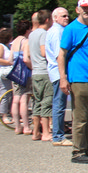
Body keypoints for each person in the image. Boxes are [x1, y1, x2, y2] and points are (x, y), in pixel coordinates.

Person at [60, 0, 88, 164]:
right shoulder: (71, 29)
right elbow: (62, 54)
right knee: (80, 117)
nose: (87, 11)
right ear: (77, 9)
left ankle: (87, 148)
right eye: (84, 8)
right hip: (78, 77)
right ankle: (77, 151)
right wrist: (63, 78)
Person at [47, 8, 72, 146]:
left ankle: (58, 134)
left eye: (67, 15)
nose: (66, 18)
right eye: (63, 16)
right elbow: (60, 55)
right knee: (59, 104)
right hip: (59, 72)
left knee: (60, 103)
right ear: (55, 18)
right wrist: (63, 76)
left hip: (58, 72)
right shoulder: (57, 32)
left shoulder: (58, 30)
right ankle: (58, 136)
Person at [28, 10, 54, 141]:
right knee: (47, 101)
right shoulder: (44, 33)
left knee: (37, 102)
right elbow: (44, 52)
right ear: (48, 20)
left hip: (35, 72)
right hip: (44, 71)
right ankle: (46, 132)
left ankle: (36, 132)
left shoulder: (32, 34)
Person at [9, 20, 33, 135]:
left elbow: (10, 60)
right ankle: (26, 127)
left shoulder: (14, 42)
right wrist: (32, 67)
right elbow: (26, 59)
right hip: (24, 73)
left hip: (15, 73)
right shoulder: (26, 41)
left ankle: (17, 127)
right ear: (27, 30)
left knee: (15, 99)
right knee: (24, 100)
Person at [0, 28, 14, 125]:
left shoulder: (7, 46)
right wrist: (9, 62)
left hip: (8, 72)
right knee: (4, 93)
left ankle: (10, 114)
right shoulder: (0, 46)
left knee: (10, 94)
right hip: (1, 72)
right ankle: (3, 115)